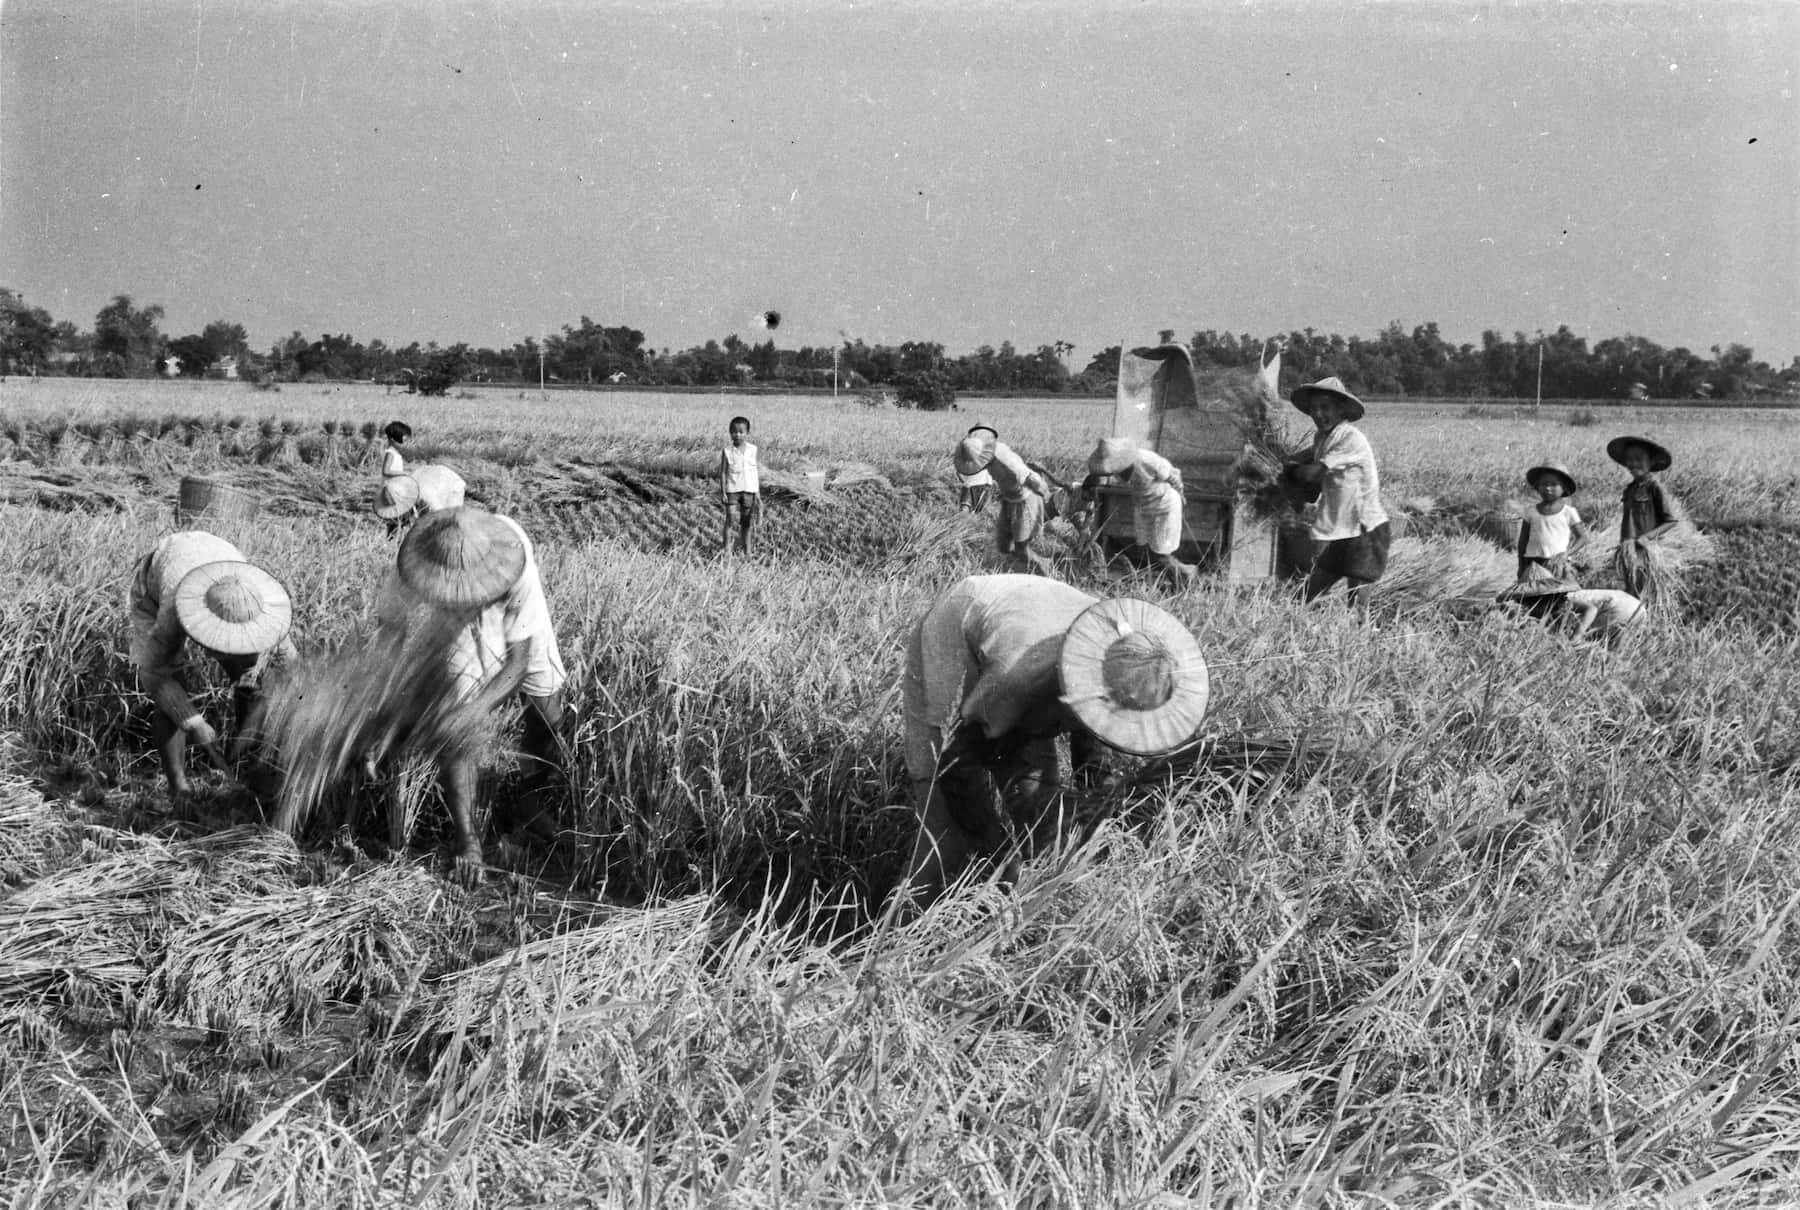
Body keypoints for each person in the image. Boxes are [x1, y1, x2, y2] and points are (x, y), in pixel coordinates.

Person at [900, 574, 1209, 908]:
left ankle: (1011, 912)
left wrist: (1098, 817)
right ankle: (893, 936)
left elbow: (1097, 745)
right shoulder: (1014, 678)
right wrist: (998, 853)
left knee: (1042, 814)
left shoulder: (1125, 654)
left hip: (1036, 628)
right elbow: (955, 757)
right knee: (942, 832)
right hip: (960, 622)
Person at [378, 506, 568, 884]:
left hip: (510, 613)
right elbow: (390, 646)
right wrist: (386, 721)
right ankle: (468, 840)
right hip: (451, 619)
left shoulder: (513, 559)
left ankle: (530, 798)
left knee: (548, 709)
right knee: (455, 720)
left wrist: (480, 708)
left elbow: (517, 664)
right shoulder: (412, 567)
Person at [128, 531, 296, 805]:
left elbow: (292, 667)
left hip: (217, 555)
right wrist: (192, 720)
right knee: (171, 693)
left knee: (252, 682)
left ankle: (247, 774)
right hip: (159, 575)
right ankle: (178, 789)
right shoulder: (172, 611)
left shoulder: (266, 611)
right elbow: (152, 673)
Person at [1284, 377, 1390, 615]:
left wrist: (1289, 471)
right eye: (1313, 409)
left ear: (1340, 409)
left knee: (1357, 607)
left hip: (1366, 531)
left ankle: (1358, 642)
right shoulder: (1323, 438)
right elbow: (1308, 458)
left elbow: (1313, 474)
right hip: (1343, 532)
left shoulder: (1349, 437)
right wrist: (1286, 462)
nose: (1318, 414)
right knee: (1306, 595)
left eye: (1325, 407)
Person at [1085, 437, 1196, 585]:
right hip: (1142, 506)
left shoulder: (1146, 459)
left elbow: (1172, 475)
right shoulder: (1114, 467)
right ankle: (1181, 574)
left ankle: (1182, 581)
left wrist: (1180, 492)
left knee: (1160, 553)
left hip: (1163, 503)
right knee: (1145, 548)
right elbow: (1101, 477)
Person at [954, 431, 1054, 575]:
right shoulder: (987, 455)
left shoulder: (1004, 460)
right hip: (1009, 499)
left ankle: (1046, 569)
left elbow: (1031, 479)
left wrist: (1045, 501)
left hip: (1026, 499)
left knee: (1021, 548)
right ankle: (1023, 569)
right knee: (1004, 546)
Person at [1608, 436, 1685, 598]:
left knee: (1642, 590)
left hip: (1644, 550)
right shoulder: (1630, 489)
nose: (1633, 463)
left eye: (1638, 458)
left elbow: (1671, 521)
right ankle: (1630, 621)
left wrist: (1646, 537)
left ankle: (1641, 621)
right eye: (1629, 459)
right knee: (1628, 588)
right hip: (1627, 548)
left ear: (1651, 461)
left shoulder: (1655, 488)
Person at [1515, 461, 1589, 586]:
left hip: (1557, 564)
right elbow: (1523, 541)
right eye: (1544, 484)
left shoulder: (1569, 512)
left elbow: (1582, 538)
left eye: (1554, 484)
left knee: (1559, 595)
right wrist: (1521, 566)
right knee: (1533, 597)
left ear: (1564, 488)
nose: (1548, 488)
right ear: (1537, 487)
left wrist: (1566, 554)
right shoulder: (1531, 512)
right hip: (1533, 564)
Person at [373, 464, 467, 534]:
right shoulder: (404, 490)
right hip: (429, 477)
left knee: (449, 525)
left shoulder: (428, 501)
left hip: (452, 486)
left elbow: (437, 521)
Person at [719, 415, 760, 556]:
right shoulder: (727, 451)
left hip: (749, 490)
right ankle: (727, 550)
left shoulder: (753, 450)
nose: (737, 434)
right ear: (730, 432)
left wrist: (757, 492)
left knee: (746, 522)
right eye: (734, 431)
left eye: (741, 432)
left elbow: (755, 471)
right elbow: (723, 472)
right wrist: (723, 492)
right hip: (732, 490)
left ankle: (747, 551)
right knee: (730, 518)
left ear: (747, 433)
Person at [1563, 587, 1644, 644]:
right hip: (1637, 606)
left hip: (1618, 605)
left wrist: (1576, 636)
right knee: (1613, 645)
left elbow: (1592, 610)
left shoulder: (1566, 599)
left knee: (1588, 635)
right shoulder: (1581, 593)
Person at [957, 424, 997, 513]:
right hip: (972, 485)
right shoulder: (967, 445)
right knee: (965, 511)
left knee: (979, 513)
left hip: (986, 485)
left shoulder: (991, 449)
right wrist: (965, 482)